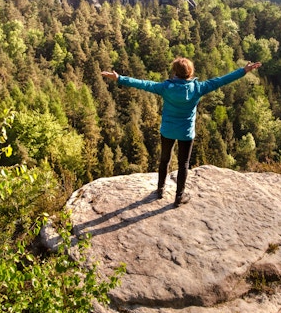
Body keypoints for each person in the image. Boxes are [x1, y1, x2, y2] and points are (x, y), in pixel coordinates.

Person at [102, 57, 262, 207]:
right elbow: (221, 80)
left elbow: (144, 84)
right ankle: (179, 197)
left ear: (175, 72)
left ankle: (160, 189)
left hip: (168, 130)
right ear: (190, 72)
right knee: (183, 164)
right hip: (186, 132)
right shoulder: (198, 88)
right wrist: (243, 70)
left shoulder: (166, 88)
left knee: (164, 160)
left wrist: (120, 78)